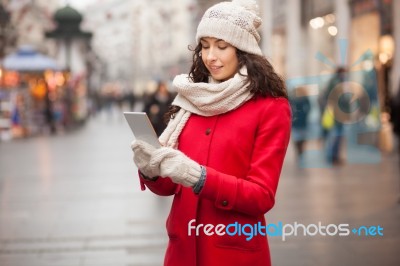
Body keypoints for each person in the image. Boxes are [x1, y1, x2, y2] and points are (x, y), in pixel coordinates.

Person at [130, 1, 291, 265]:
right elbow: (173, 185)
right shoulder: (191, 100)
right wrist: (151, 168)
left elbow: (261, 196)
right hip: (182, 251)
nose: (210, 56)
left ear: (243, 50)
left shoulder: (271, 108)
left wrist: (198, 177)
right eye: (204, 46)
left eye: (222, 46)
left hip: (231, 252)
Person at [289, 86, 311, 160]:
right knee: (301, 137)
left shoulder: (294, 99)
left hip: (296, 121)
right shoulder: (301, 99)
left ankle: (299, 151)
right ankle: (300, 151)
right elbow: (309, 108)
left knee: (298, 137)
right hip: (300, 121)